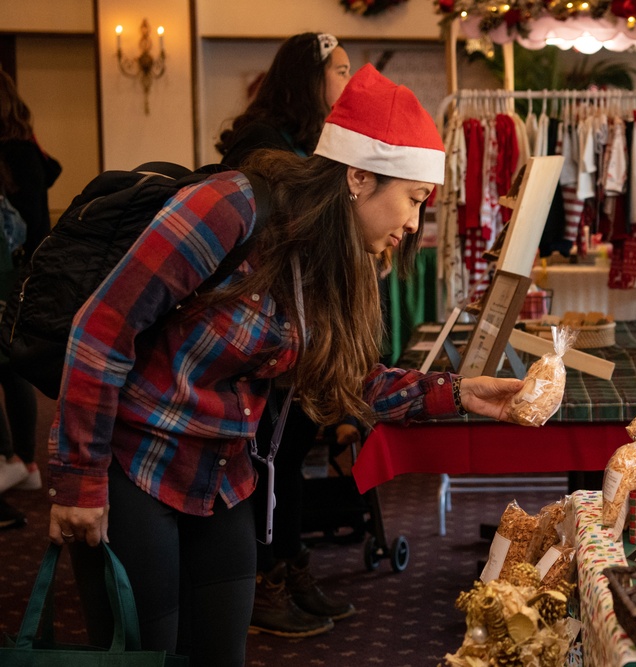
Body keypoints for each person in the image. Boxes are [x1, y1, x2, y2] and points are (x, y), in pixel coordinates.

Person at [49, 63, 524, 667]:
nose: (412, 224)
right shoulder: (230, 206)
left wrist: (459, 394)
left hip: (222, 476)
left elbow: (345, 379)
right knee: (147, 655)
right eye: (412, 200)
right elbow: (103, 328)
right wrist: (79, 479)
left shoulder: (334, 260)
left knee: (221, 653)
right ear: (357, 176)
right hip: (131, 465)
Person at [216, 31, 358, 639]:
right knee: (266, 453)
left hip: (292, 317)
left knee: (292, 449)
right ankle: (260, 580)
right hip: (254, 322)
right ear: (310, 76)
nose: (349, 83)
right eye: (341, 71)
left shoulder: (304, 139)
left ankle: (287, 565)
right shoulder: (261, 143)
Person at [0, 70, 58, 497]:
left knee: (8, 363)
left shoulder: (12, 154)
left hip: (13, 271)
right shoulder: (28, 151)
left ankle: (16, 459)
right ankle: (24, 461)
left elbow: (26, 223)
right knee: (10, 364)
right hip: (28, 268)